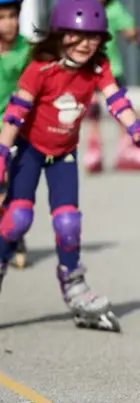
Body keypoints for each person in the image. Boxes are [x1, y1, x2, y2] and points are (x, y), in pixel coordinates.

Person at [0, 0, 140, 332]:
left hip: (64, 154)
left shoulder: (98, 68)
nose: (87, 43)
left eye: (94, 37)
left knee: (68, 223)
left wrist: (136, 129)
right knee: (16, 220)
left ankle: (74, 286)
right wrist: (2, 152)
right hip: (28, 149)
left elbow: (116, 99)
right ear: (60, 34)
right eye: (77, 35)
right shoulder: (40, 68)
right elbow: (15, 113)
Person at [82, 0, 140, 174]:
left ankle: (126, 147)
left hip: (111, 69)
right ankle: (94, 147)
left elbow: (131, 31)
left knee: (121, 108)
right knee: (93, 107)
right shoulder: (82, 7)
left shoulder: (114, 9)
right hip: (87, 68)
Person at [0, 0, 29, 269]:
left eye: (13, 16)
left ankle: (15, 237)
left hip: (12, 129)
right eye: (2, 17)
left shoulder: (27, 51)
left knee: (7, 186)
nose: (9, 23)